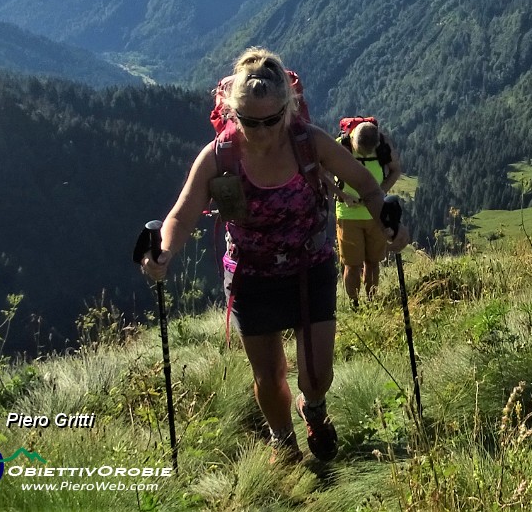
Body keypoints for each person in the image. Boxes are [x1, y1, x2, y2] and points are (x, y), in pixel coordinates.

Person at [140, 48, 410, 464]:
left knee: (317, 374)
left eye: (271, 119)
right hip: (252, 277)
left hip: (310, 266)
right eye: (250, 121)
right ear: (232, 112)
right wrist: (163, 252)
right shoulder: (218, 156)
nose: (262, 130)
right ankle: (282, 440)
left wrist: (388, 220)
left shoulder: (310, 143)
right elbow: (182, 213)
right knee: (268, 377)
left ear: (289, 107)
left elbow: (368, 187)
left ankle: (313, 410)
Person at [335, 120, 401, 308]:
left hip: (376, 215)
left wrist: (378, 194)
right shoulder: (341, 145)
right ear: (353, 139)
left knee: (373, 262)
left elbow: (395, 170)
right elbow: (320, 172)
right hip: (348, 214)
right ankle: (355, 304)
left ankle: (372, 302)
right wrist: (341, 194)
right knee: (352, 265)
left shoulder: (382, 146)